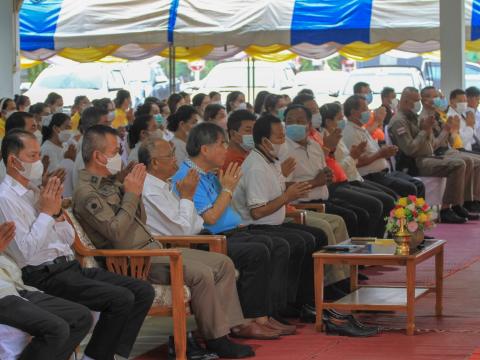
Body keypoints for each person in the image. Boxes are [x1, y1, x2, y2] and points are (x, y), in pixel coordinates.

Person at [73, 125, 254, 358]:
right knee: (200, 273)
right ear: (98, 156)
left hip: (152, 248)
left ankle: (227, 330)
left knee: (222, 263)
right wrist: (131, 194)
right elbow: (116, 232)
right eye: (115, 151)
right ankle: (216, 339)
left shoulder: (109, 184)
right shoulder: (87, 192)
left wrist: (127, 190)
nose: (121, 156)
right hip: (134, 260)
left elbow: (140, 220)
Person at [0, 129, 155, 360]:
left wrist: (57, 215)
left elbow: (64, 238)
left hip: (67, 265)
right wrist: (47, 215)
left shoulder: (35, 192)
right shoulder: (5, 199)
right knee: (119, 299)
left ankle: (111, 354)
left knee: (142, 290)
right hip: (42, 273)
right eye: (33, 157)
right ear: (13, 161)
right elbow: (24, 255)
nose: (39, 162)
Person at [169, 123, 297, 336]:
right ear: (205, 149)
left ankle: (265, 315)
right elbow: (210, 218)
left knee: (276, 244)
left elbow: (226, 210)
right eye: (221, 144)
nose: (226, 149)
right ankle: (248, 320)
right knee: (258, 250)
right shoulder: (189, 176)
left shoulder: (208, 173)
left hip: (231, 232)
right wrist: (228, 188)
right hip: (209, 239)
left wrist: (226, 187)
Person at [283, 104, 387, 238]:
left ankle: (364, 253)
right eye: (289, 121)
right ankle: (348, 256)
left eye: (300, 121)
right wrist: (315, 182)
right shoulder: (283, 149)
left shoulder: (314, 145)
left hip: (325, 196)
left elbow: (325, 173)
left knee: (362, 213)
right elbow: (283, 186)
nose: (294, 125)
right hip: (303, 204)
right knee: (351, 216)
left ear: (309, 125)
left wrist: (328, 175)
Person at [0, 220, 92, 360]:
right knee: (56, 329)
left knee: (81, 317)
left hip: (16, 286)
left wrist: (51, 215)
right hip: (3, 295)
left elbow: (23, 259)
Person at [389, 87, 478, 223]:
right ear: (406, 101)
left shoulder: (413, 117)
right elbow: (410, 150)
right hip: (414, 162)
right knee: (458, 163)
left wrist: (438, 130)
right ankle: (446, 209)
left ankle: (456, 205)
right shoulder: (399, 121)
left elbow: (432, 144)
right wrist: (425, 131)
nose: (418, 104)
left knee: (465, 162)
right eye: (416, 100)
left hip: (429, 156)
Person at [342, 95, 425, 199]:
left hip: (383, 172)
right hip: (370, 176)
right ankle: (408, 215)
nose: (368, 111)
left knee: (418, 185)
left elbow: (374, 153)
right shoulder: (350, 132)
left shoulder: (360, 129)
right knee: (410, 188)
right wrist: (381, 154)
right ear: (353, 112)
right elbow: (358, 162)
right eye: (364, 109)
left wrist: (386, 152)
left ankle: (418, 215)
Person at [466, 86, 480, 152]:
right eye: (476, 99)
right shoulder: (463, 114)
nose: (478, 101)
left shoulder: (478, 113)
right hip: (470, 146)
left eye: (478, 99)